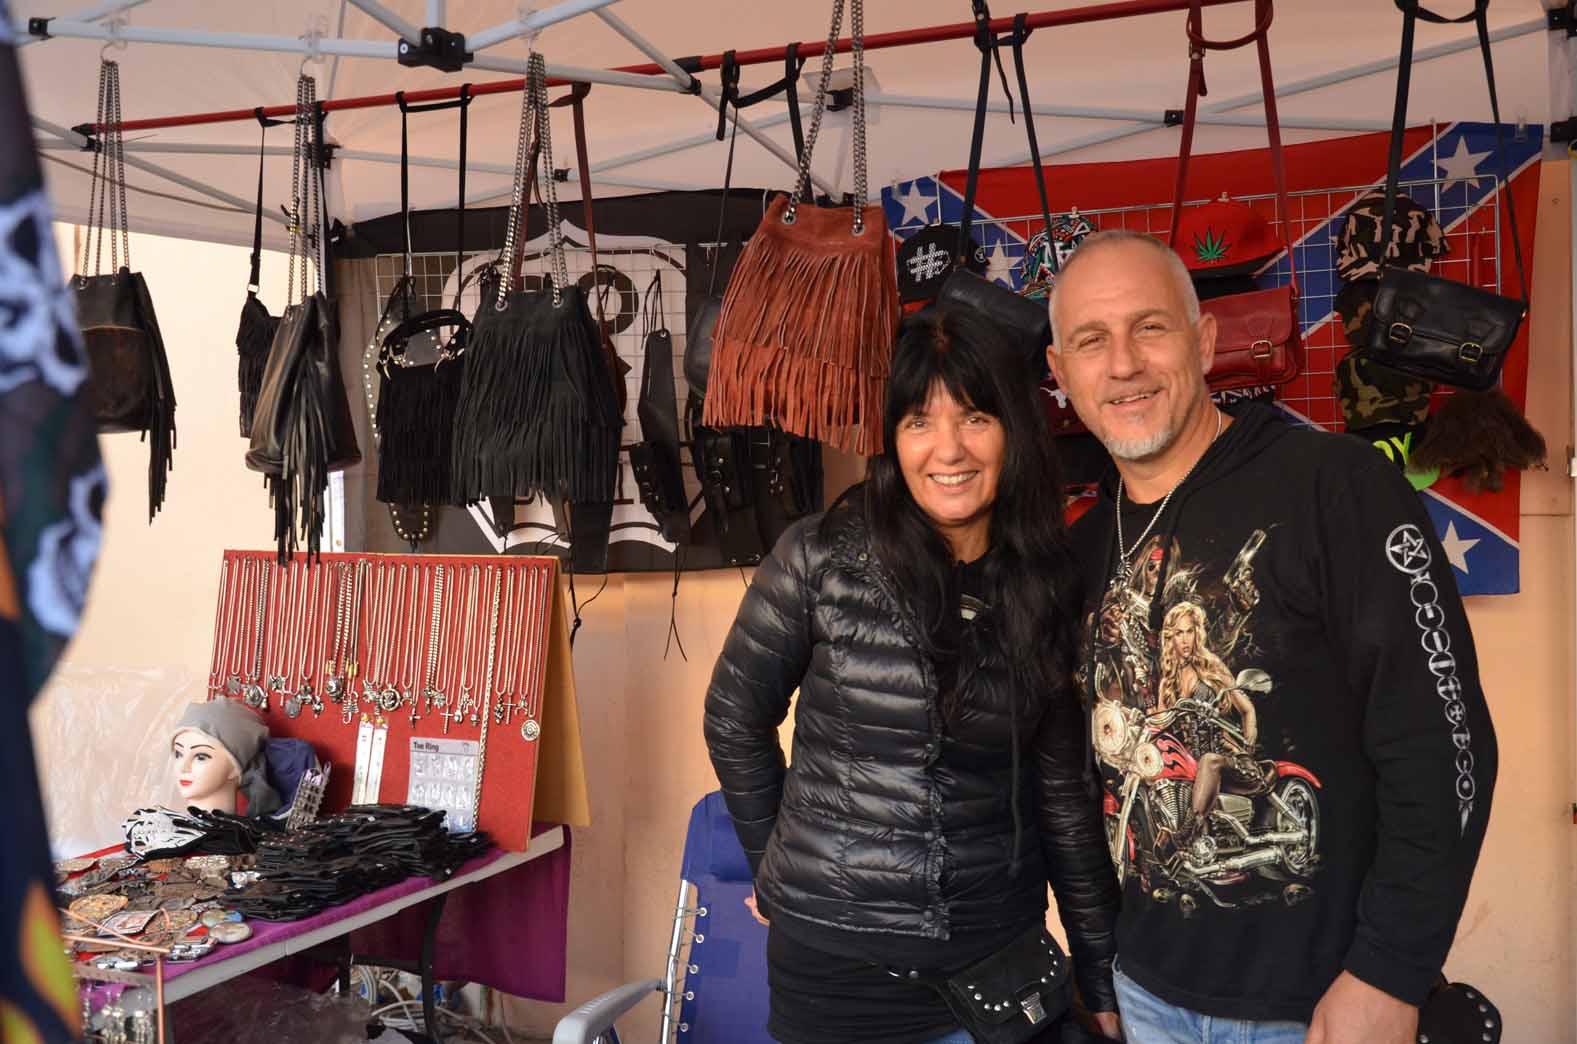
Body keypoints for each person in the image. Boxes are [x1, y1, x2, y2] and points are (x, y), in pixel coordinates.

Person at [1047, 229, 1498, 1044]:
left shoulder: (1336, 487)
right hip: (1146, 996)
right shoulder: (1080, 550)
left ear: (1203, 342)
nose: (1122, 364)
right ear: (1060, 371)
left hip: (1318, 1006)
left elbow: (1442, 743)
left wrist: (1389, 973)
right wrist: (1100, 961)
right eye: (1090, 340)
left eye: (1149, 327)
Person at [704, 307, 1121, 1044]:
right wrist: (776, 865)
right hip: (836, 970)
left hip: (997, 955)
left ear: (1013, 432)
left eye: (975, 418)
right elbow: (734, 716)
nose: (948, 449)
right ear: (892, 440)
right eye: (919, 421)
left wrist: (1097, 970)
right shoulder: (821, 555)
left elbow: (1063, 791)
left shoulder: (1047, 581)